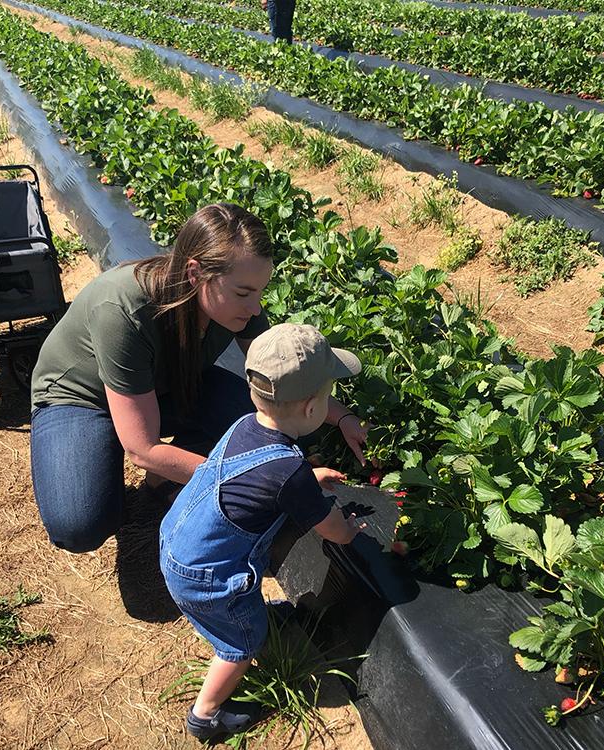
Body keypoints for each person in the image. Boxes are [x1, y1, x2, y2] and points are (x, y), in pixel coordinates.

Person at [30, 203, 371, 553]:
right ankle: (103, 452)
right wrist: (271, 481)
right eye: (243, 293)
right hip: (82, 398)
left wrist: (343, 417)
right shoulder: (123, 311)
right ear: (195, 274)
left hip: (162, 387)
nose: (255, 308)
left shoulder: (241, 303)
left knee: (261, 414)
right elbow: (142, 449)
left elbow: (285, 380)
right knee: (81, 524)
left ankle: (164, 477)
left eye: (260, 291)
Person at [160, 323, 365, 740]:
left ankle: (243, 622)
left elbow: (260, 476)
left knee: (238, 619)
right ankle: (206, 715)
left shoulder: (243, 427)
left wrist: (308, 476)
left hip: (178, 542)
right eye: (328, 396)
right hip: (209, 575)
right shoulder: (289, 471)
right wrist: (352, 529)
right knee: (241, 645)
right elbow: (333, 532)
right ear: (311, 410)